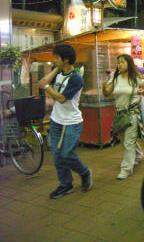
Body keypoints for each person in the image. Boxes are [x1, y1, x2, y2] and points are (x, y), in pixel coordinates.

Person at [38, 44, 92, 199]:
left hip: (72, 122)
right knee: (57, 155)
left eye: (57, 58)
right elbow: (43, 81)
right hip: (56, 120)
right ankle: (65, 184)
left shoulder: (76, 78)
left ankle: (84, 172)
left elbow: (61, 99)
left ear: (66, 59)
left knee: (67, 153)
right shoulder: (59, 73)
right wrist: (56, 68)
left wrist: (47, 87)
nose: (54, 60)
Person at [102, 54, 144, 180]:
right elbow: (107, 93)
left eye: (122, 62)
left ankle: (126, 169)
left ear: (129, 64)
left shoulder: (135, 78)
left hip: (132, 113)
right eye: (118, 62)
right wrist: (103, 86)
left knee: (128, 141)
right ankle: (138, 155)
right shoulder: (115, 77)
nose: (120, 65)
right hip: (119, 113)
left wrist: (142, 92)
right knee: (124, 139)